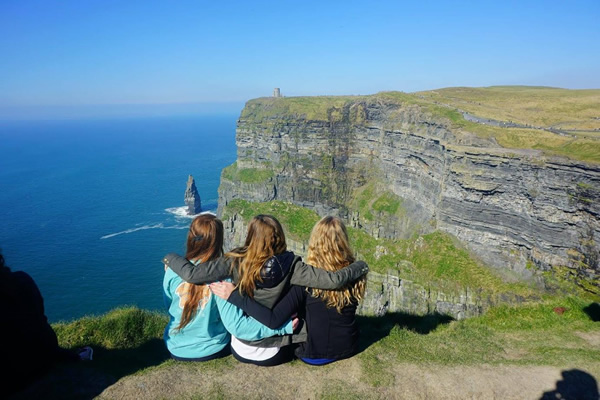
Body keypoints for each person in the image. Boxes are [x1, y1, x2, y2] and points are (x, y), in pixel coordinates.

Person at [163, 214, 369, 366]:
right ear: (279, 236)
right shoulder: (294, 267)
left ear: (250, 236)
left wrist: (170, 257)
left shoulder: (233, 262)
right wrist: (361, 265)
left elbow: (193, 275)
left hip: (242, 346)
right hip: (275, 348)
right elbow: (334, 280)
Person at [163, 213, 293, 362]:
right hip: (213, 347)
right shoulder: (223, 279)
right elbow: (237, 326)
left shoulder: (171, 270)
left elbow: (170, 307)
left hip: (175, 347)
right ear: (219, 240)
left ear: (190, 237)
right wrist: (282, 327)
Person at [0, 251, 93, 397]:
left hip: (12, 380)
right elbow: (38, 323)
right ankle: (79, 357)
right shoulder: (22, 280)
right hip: (43, 359)